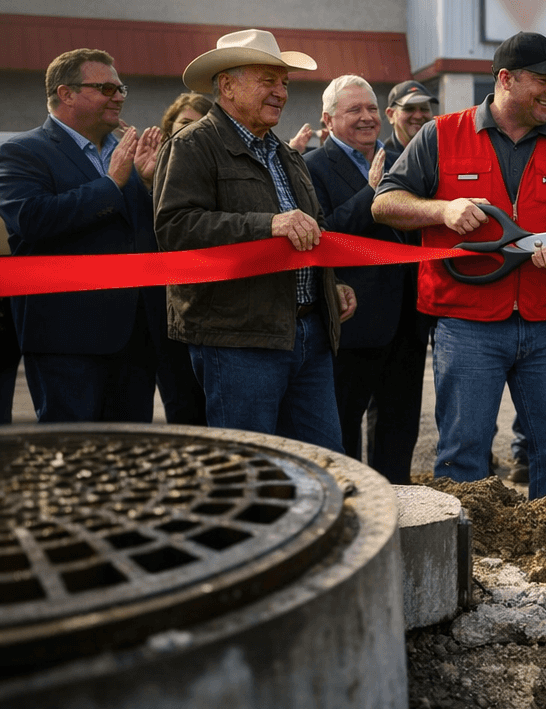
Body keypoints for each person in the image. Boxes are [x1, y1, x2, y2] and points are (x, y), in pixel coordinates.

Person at [373, 32, 546, 510]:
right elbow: (385, 203)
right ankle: (464, 548)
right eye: (543, 81)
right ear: (505, 79)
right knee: (462, 455)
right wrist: (442, 210)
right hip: (467, 323)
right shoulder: (441, 134)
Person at [154, 29, 356, 449]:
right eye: (268, 81)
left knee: (323, 467)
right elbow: (176, 229)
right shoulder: (192, 145)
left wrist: (331, 284)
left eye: (284, 82)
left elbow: (313, 231)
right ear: (227, 85)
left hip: (307, 334)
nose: (281, 92)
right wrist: (267, 225)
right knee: (250, 468)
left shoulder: (287, 155)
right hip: (238, 340)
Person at [0, 48, 164, 422]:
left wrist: (149, 185)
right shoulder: (22, 151)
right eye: (106, 88)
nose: (119, 97)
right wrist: (111, 183)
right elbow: (31, 220)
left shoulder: (127, 155)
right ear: (66, 93)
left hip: (136, 339)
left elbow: (143, 233)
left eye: (121, 88)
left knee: (131, 453)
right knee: (71, 452)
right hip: (67, 340)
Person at [305, 74, 426, 484]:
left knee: (399, 428)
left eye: (372, 108)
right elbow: (321, 235)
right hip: (351, 322)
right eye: (354, 109)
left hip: (408, 320)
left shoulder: (401, 161)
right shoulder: (311, 167)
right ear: (328, 119)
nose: (367, 117)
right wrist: (370, 193)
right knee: (342, 431)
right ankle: (352, 506)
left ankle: (396, 504)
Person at [151, 90, 214, 426]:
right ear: (168, 128)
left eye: (202, 123)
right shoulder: (145, 171)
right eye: (185, 122)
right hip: (167, 315)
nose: (192, 130)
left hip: (212, 310)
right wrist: (145, 183)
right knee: (183, 409)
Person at [383, 80, 436, 162]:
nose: (418, 116)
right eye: (409, 109)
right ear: (391, 115)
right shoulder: (382, 160)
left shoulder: (440, 153)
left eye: (424, 109)